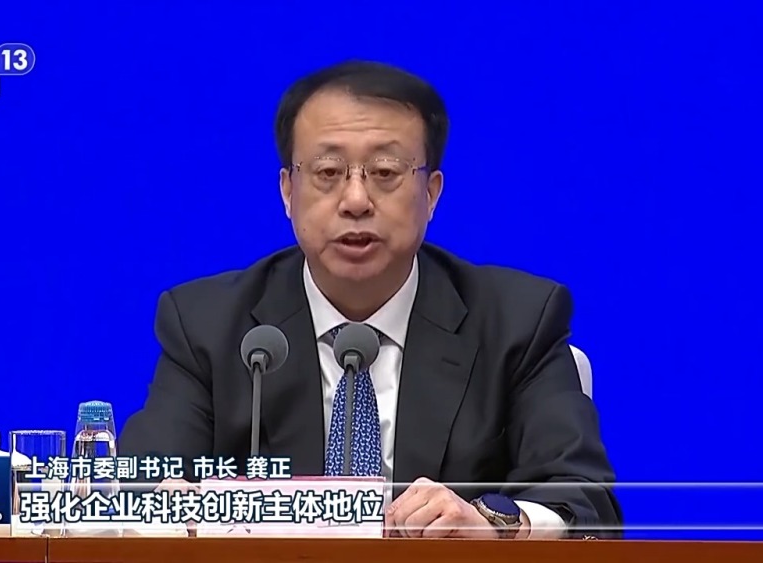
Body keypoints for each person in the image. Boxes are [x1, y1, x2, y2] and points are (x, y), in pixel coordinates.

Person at [119, 60, 622, 539]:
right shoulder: (209, 326)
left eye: (385, 172)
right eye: (328, 172)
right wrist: (170, 507)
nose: (356, 200)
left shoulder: (517, 321)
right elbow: (140, 489)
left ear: (431, 193)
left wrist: (494, 525)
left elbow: (584, 503)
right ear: (288, 192)